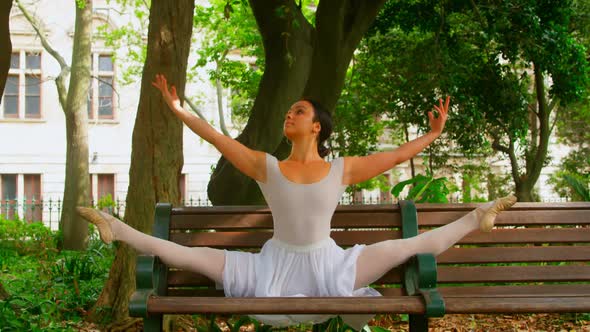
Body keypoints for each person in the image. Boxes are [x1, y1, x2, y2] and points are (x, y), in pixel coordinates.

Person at [77, 74, 516, 330]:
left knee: (405, 247)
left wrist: (434, 134)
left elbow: (397, 156)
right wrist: (178, 109)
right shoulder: (267, 165)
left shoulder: (341, 168)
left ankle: (478, 216)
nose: (290, 114)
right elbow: (218, 138)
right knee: (194, 256)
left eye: (298, 111)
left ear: (317, 127)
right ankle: (117, 228)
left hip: (330, 265)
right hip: (273, 267)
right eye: (289, 111)